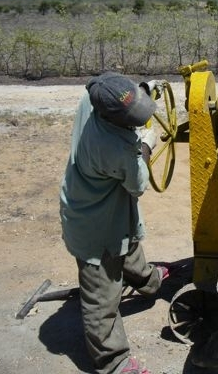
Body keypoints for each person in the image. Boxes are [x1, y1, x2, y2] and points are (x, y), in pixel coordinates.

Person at [60, 72, 168, 374]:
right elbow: (139, 184)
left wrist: (142, 92)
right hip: (94, 226)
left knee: (129, 243)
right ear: (114, 119)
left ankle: (148, 282)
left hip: (104, 206)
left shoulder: (91, 100)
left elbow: (116, 93)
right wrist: (146, 145)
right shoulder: (113, 148)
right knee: (101, 296)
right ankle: (113, 361)